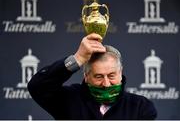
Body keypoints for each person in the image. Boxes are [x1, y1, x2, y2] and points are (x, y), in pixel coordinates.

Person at [28, 33, 157, 120]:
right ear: (86, 76)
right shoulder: (69, 99)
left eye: (111, 75)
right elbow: (37, 87)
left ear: (121, 73)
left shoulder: (140, 107)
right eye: (99, 76)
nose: (106, 84)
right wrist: (77, 59)